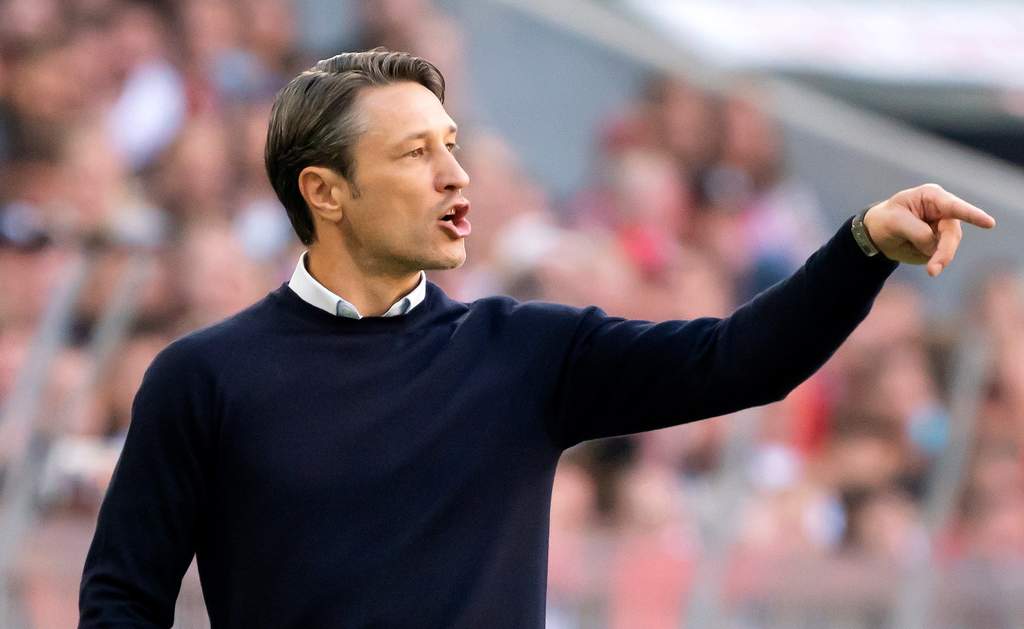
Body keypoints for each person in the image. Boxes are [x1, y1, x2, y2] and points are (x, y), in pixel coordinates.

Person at [78, 49, 996, 628]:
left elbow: (742, 360)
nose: (456, 175)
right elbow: (122, 598)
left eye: (451, 145)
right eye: (416, 154)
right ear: (325, 191)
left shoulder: (525, 351)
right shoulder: (203, 376)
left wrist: (863, 246)